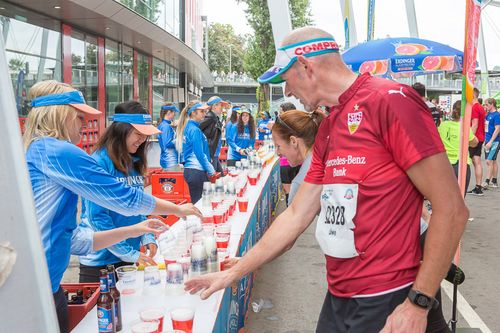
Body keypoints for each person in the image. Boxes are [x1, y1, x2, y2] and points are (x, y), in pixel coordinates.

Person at [185, 27, 468, 333]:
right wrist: (236, 271)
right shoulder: (331, 124)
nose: (288, 92)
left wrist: (418, 302)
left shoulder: (391, 101)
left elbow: (451, 209)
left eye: (286, 80)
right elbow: (296, 214)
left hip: (388, 295)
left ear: (306, 66)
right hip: (339, 294)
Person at [23, 80, 201, 333]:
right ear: (61, 115)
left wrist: (136, 230)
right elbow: (125, 200)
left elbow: (74, 239)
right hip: (38, 287)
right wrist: (179, 209)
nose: (83, 125)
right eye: (79, 117)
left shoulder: (40, 150)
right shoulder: (57, 151)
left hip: (47, 283)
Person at [78, 101, 164, 282]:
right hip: (100, 263)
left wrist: (147, 235)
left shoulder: (133, 160)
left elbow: (137, 207)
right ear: (121, 130)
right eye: (138, 134)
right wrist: (130, 254)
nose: (142, 140)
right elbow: (97, 218)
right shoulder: (100, 162)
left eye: (145, 135)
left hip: (127, 258)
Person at [271, 109, 324, 205]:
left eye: (278, 146)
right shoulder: (324, 156)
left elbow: (292, 218)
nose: (277, 153)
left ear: (293, 141)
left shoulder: (301, 182)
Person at [175, 100, 218, 203]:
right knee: (201, 206)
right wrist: (211, 169)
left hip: (192, 171)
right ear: (194, 112)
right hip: (196, 172)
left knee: (200, 204)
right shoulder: (194, 130)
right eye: (202, 111)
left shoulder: (188, 128)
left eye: (205, 111)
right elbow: (199, 154)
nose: (205, 114)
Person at [438, 100, 478, 193]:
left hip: (444, 163)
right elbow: (474, 142)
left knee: (444, 195)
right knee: (459, 197)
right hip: (460, 164)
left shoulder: (443, 125)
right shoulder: (464, 127)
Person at [200, 96, 229, 172]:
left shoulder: (214, 117)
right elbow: (197, 129)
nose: (222, 107)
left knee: (220, 176)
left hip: (214, 153)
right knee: (214, 179)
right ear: (214, 106)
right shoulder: (210, 117)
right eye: (221, 105)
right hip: (211, 153)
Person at [467, 88, 486, 196]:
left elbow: (474, 124)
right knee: (476, 162)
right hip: (480, 137)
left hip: (475, 138)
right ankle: (478, 187)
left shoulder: (474, 107)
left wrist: (470, 138)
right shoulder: (481, 107)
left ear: (472, 95)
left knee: (474, 162)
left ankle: (478, 187)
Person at [483, 98, 500, 188]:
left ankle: (487, 181)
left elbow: (497, 129)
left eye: (486, 105)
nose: (485, 106)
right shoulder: (488, 115)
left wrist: (491, 141)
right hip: (487, 140)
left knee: (489, 161)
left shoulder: (497, 115)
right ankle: (494, 180)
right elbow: (486, 128)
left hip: (495, 141)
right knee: (493, 161)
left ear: (492, 104)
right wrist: (485, 140)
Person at [158, 103, 179, 169]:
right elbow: (167, 144)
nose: (174, 115)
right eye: (174, 113)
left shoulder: (163, 125)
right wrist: (180, 139)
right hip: (170, 160)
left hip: (168, 159)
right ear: (169, 112)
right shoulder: (165, 126)